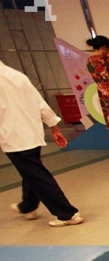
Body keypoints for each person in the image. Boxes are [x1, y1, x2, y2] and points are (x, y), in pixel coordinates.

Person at [1, 59, 83, 227]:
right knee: (31, 170)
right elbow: (40, 103)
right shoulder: (17, 76)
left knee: (37, 175)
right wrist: (53, 126)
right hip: (31, 132)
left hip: (13, 136)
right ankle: (28, 206)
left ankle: (67, 214)